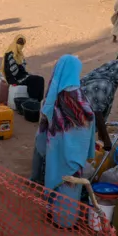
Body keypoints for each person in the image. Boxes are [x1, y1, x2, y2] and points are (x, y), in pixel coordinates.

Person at [30, 55, 96, 205]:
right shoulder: (75, 94)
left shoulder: (53, 90)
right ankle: (65, 216)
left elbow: (47, 116)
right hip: (72, 150)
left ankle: (51, 210)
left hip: (54, 146)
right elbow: (87, 117)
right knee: (69, 185)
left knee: (53, 174)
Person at [80, 59, 118, 150]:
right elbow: (97, 112)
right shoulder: (104, 85)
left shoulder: (98, 76)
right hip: (78, 121)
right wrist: (106, 140)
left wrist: (101, 135)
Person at [2, 35, 45, 101]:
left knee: (41, 79)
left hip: (21, 75)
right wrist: (21, 69)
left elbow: (22, 68)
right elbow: (11, 72)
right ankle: (32, 100)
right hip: (14, 79)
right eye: (19, 43)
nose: (20, 45)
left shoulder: (19, 54)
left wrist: (23, 71)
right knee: (35, 80)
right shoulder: (10, 54)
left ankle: (38, 101)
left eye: (22, 43)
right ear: (15, 42)